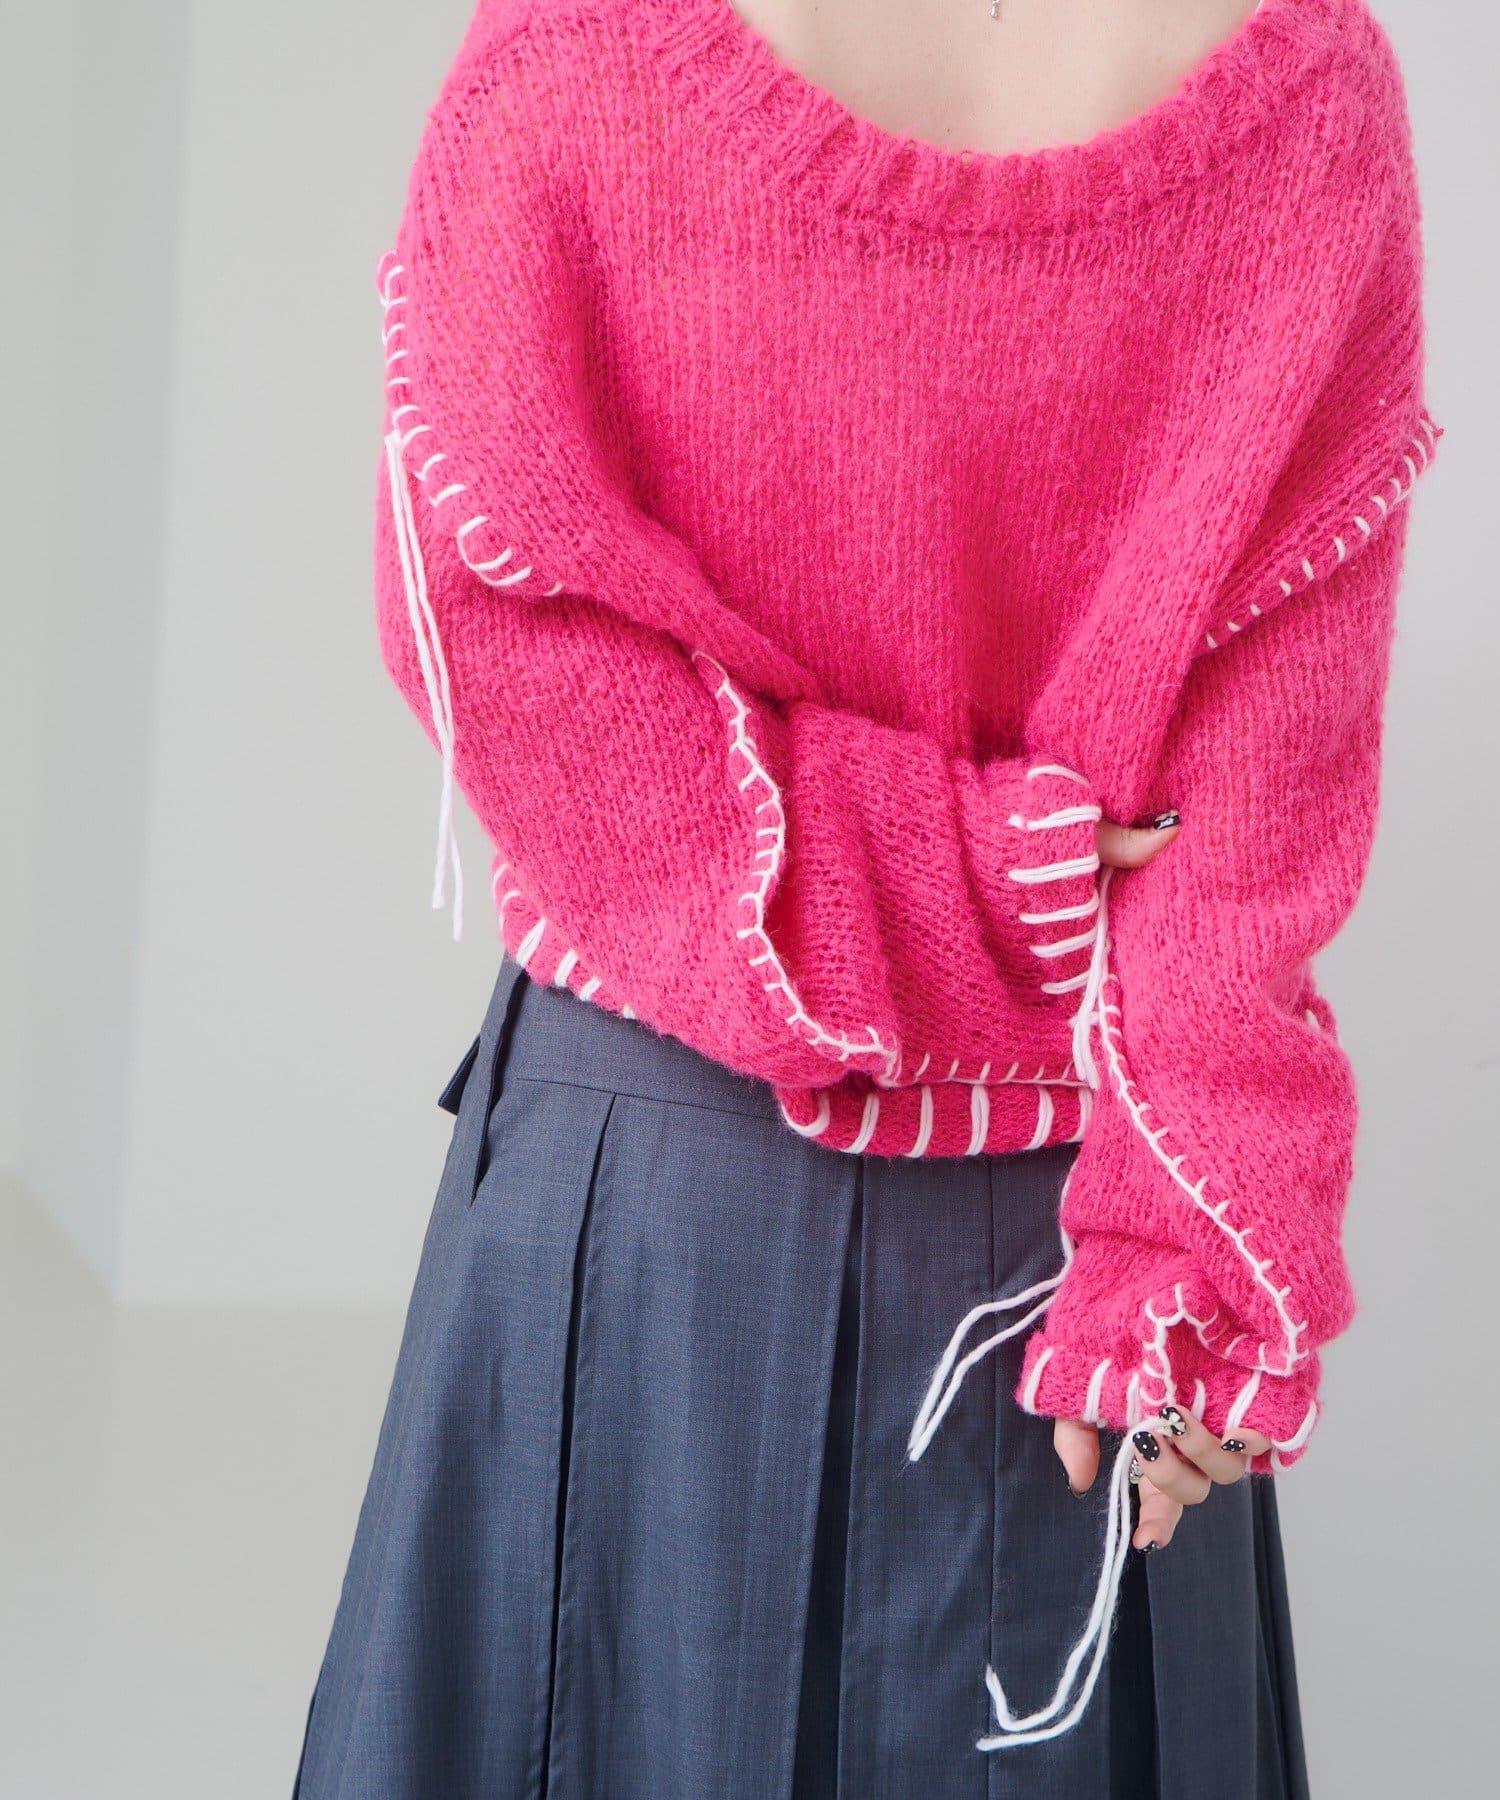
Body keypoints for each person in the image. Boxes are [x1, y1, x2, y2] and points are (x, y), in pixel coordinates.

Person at [293, 0, 1436, 1793]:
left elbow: (489, 629)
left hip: (673, 1180)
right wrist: (1196, 1255)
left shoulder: (572, 47)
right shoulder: (1309, 88)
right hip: (1074, 1206)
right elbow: (1259, 804)